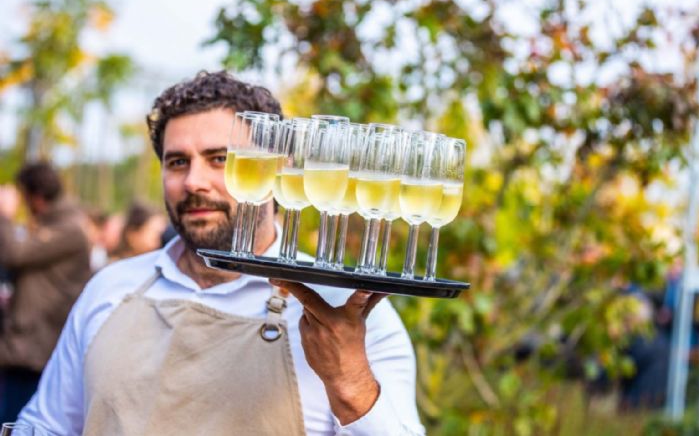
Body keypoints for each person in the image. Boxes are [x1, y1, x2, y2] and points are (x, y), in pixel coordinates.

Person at [19, 71, 423, 435]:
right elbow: (43, 426)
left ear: (279, 168)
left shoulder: (348, 313)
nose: (194, 181)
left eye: (220, 159)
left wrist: (351, 385)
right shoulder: (110, 288)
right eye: (178, 162)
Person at [0, 162, 91, 422]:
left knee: (19, 423)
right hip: (29, 347)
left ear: (37, 197)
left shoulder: (69, 228)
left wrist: (5, 215)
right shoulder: (55, 223)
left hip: (37, 351)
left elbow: (16, 253)